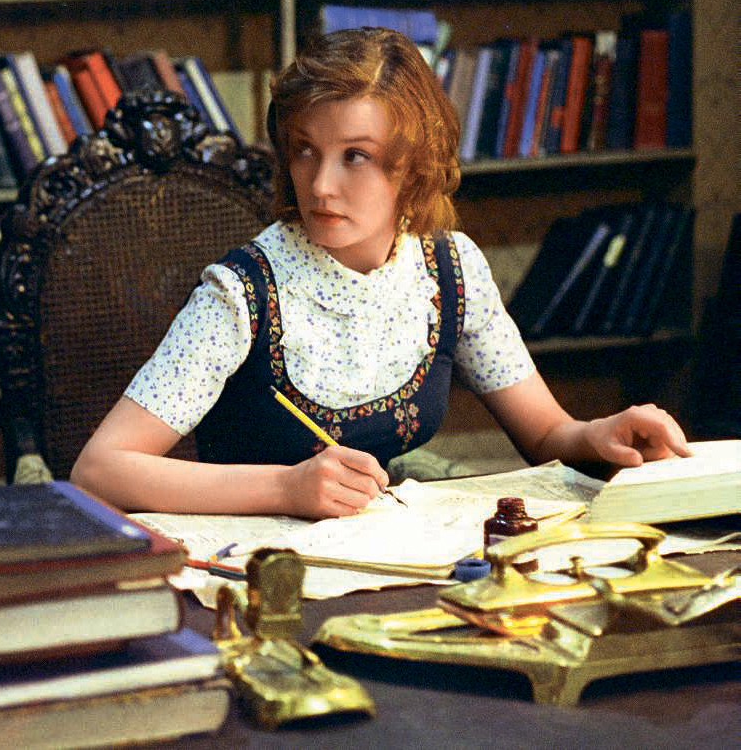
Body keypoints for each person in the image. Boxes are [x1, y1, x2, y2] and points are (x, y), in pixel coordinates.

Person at [71, 27, 688, 519]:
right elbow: (99, 470)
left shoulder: (450, 270)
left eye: (355, 156)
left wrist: (600, 435)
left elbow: (547, 435)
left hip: (388, 560)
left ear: (413, 165)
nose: (320, 184)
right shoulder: (242, 294)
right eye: (305, 150)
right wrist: (285, 488)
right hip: (252, 570)